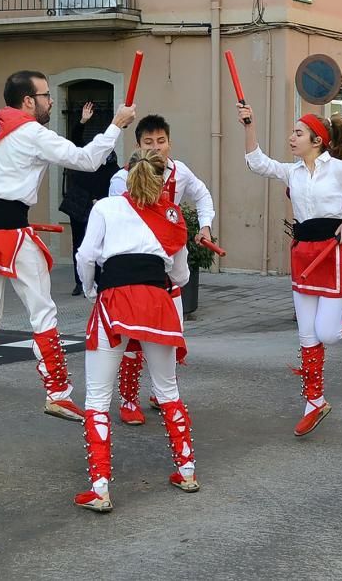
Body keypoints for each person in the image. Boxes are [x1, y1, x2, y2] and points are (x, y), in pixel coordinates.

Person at [0, 70, 136, 432]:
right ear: (28, 101)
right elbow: (87, 160)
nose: (50, 101)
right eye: (45, 95)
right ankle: (57, 392)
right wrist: (117, 125)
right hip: (11, 233)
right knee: (42, 312)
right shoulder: (32, 132)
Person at [239, 103, 342, 437]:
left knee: (327, 333)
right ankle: (314, 401)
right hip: (303, 255)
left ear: (317, 140)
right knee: (307, 336)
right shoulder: (292, 171)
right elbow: (257, 162)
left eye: (298, 133)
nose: (291, 138)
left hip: (335, 253)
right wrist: (249, 125)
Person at [74, 149, 197, 512]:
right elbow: (181, 274)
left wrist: (89, 288)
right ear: (162, 180)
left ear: (126, 176)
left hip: (114, 300)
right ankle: (186, 469)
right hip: (157, 302)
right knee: (168, 388)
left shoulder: (106, 208)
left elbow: (85, 256)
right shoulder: (172, 215)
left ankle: (100, 488)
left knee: (97, 397)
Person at [108, 114, 215, 426]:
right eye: (148, 142)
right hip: (136, 273)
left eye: (161, 141)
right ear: (138, 145)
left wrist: (205, 226)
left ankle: (161, 390)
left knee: (171, 335)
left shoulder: (180, 173)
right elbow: (113, 223)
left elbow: (203, 195)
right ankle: (128, 399)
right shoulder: (121, 179)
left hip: (170, 270)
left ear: (169, 142)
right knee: (132, 339)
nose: (156, 148)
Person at [62, 101, 119, 296]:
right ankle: (79, 281)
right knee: (78, 242)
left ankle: (98, 279)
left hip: (99, 208)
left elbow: (116, 188)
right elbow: (74, 141)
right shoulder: (85, 156)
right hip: (79, 204)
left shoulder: (113, 169)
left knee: (99, 243)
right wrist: (83, 121)